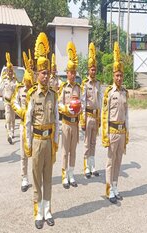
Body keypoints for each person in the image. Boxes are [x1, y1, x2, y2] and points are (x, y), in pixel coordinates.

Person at [24, 32, 59, 229]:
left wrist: (56, 142)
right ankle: (38, 212)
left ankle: (48, 210)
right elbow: (28, 122)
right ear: (37, 74)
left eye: (48, 73)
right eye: (43, 73)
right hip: (37, 141)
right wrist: (28, 145)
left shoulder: (54, 95)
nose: (46, 76)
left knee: (48, 178)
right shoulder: (32, 94)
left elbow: (57, 120)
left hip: (49, 142)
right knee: (36, 178)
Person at [102, 42, 129, 204]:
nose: (119, 78)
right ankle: (108, 189)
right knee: (110, 162)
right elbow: (104, 115)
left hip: (121, 131)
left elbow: (127, 115)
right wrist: (104, 135)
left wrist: (127, 133)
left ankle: (116, 186)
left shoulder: (125, 92)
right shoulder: (108, 92)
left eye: (121, 75)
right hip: (112, 131)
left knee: (119, 161)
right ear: (113, 76)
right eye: (116, 75)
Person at [58, 41, 81, 189]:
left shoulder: (79, 88)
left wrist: (80, 109)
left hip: (75, 123)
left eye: (74, 73)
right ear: (66, 73)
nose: (71, 75)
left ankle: (71, 175)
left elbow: (83, 104)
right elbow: (58, 105)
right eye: (69, 72)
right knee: (65, 151)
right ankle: (64, 175)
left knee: (73, 151)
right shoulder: (63, 88)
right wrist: (66, 108)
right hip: (66, 123)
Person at [11, 51, 34, 192]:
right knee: (24, 154)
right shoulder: (19, 90)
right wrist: (22, 112)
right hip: (23, 125)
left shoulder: (36, 90)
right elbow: (14, 103)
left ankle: (37, 176)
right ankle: (24, 178)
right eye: (27, 82)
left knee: (36, 153)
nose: (28, 84)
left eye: (30, 82)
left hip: (35, 126)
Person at [80, 42, 102, 179]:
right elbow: (82, 103)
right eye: (91, 69)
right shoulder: (85, 84)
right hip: (87, 116)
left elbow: (99, 102)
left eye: (95, 69)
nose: (93, 71)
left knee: (94, 142)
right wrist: (82, 119)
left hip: (95, 116)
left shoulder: (98, 83)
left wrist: (100, 118)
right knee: (87, 142)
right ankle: (86, 167)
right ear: (88, 70)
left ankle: (93, 166)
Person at [0, 52, 17, 144]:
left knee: (13, 118)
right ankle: (9, 134)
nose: (10, 72)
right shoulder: (4, 81)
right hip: (7, 102)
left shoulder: (15, 81)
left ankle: (12, 131)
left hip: (13, 102)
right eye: (8, 71)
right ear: (6, 72)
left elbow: (18, 91)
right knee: (8, 117)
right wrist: (1, 95)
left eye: (11, 71)